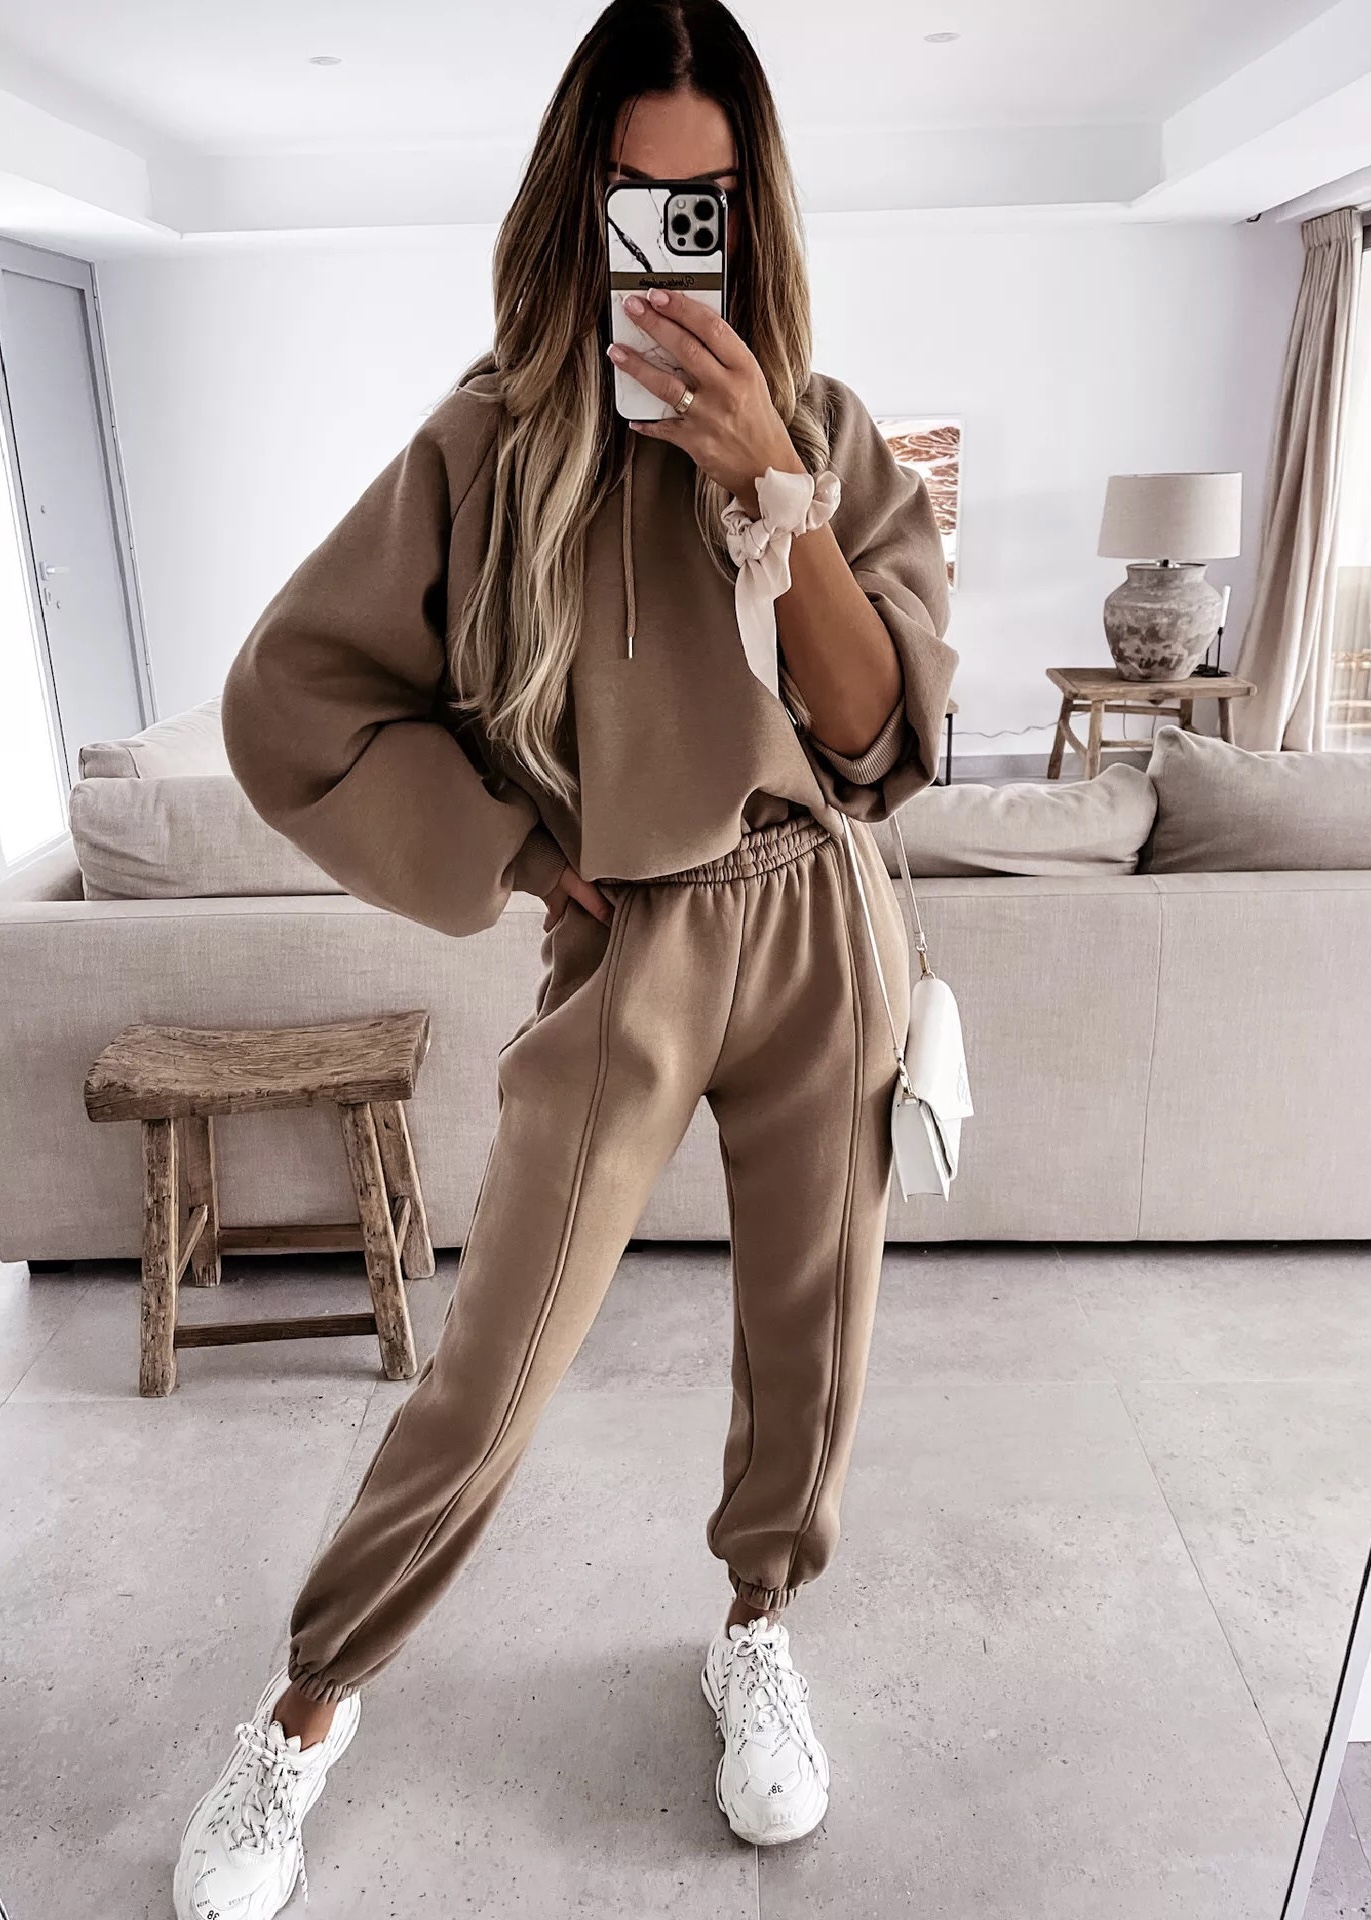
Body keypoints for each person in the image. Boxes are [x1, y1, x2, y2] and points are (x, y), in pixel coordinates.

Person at [172, 1, 956, 1911]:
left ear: (754, 209)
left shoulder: (831, 431)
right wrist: (520, 853)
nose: (670, 241)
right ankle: (306, 1704)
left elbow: (876, 740)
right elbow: (288, 699)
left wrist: (773, 482)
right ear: (571, 202)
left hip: (826, 918)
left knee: (816, 1331)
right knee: (497, 1358)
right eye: (634, 195)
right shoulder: (492, 444)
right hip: (633, 936)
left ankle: (756, 1626)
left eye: (708, 201)